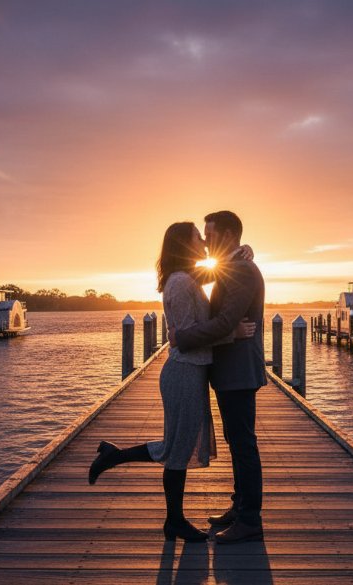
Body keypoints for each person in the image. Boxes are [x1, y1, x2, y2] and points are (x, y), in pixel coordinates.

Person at [88, 222, 256, 542]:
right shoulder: (180, 283)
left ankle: (114, 457)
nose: (204, 243)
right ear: (184, 244)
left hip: (192, 372)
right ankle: (173, 521)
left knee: (174, 447)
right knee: (177, 450)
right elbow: (187, 338)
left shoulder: (188, 277)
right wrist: (230, 334)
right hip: (183, 373)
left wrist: (242, 254)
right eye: (197, 237)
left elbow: (220, 274)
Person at [170, 210, 266, 545]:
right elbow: (197, 278)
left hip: (239, 372)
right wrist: (239, 251)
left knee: (243, 445)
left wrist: (182, 337)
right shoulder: (232, 265)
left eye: (210, 237)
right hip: (230, 372)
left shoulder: (240, 270)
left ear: (226, 234)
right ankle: (239, 507)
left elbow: (226, 322)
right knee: (237, 443)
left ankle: (250, 519)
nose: (207, 243)